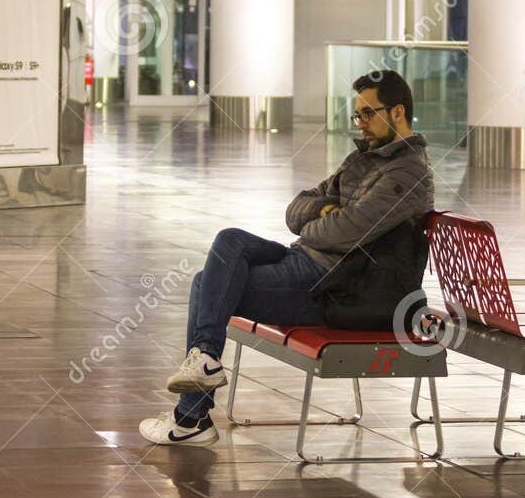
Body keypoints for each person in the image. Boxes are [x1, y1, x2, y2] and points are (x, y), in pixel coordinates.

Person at [139, 69, 434, 447]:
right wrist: (324, 214)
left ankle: (192, 414)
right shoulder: (362, 160)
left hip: (329, 285)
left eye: (367, 113)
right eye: (356, 114)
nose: (360, 123)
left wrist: (320, 221)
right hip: (304, 262)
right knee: (230, 240)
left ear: (397, 112)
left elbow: (347, 231)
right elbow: (296, 208)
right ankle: (203, 373)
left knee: (204, 284)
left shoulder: (407, 173)